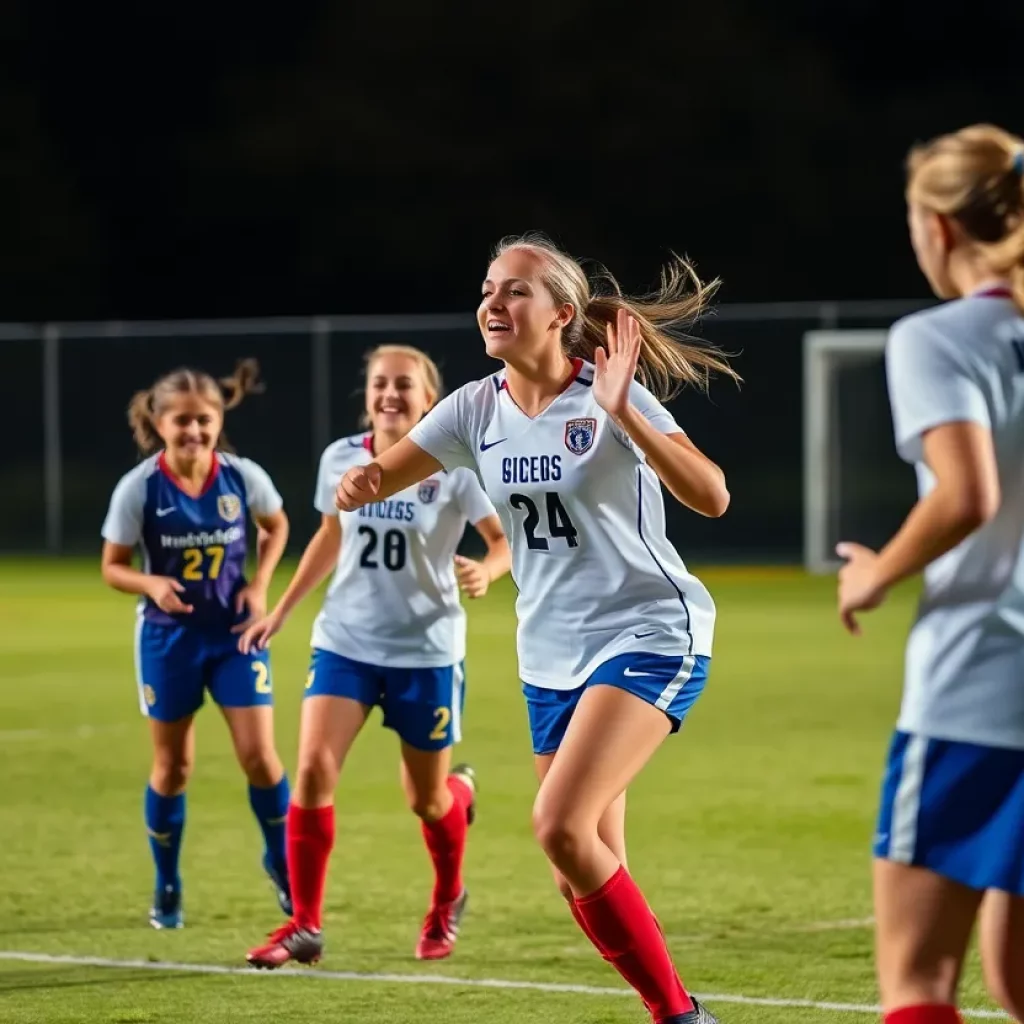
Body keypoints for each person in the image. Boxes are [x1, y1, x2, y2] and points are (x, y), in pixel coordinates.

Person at [332, 237, 738, 1024]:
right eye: (489, 288)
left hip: (647, 632)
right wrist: (362, 481)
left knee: (559, 825)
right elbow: (387, 473)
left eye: (515, 291)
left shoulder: (607, 394)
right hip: (550, 656)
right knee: (577, 863)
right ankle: (675, 1008)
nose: (493, 302)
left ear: (561, 314)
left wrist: (624, 411)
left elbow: (713, 496)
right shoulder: (473, 409)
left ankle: (681, 1017)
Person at [837, 124, 1024, 1024]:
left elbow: (966, 493)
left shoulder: (939, 338)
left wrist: (878, 573)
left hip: (979, 683)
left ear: (940, 227)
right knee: (1017, 980)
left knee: (918, 984)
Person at [242, 344, 511, 968]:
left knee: (425, 800)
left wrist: (488, 571)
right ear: (367, 395)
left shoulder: (455, 466)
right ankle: (305, 925)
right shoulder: (341, 457)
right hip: (346, 642)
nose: (390, 394)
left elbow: (501, 540)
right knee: (313, 771)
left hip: (426, 649)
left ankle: (448, 895)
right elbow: (329, 536)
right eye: (380, 384)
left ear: (429, 398)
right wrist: (282, 611)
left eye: (404, 385)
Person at [100, 359, 292, 930]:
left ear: (218, 420)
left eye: (204, 419)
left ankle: (282, 862)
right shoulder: (140, 488)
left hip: (235, 635)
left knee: (260, 757)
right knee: (174, 766)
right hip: (170, 640)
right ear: (159, 423)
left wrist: (259, 585)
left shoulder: (241, 476)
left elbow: (277, 525)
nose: (194, 430)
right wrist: (150, 584)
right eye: (182, 420)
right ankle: (167, 882)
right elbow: (112, 566)